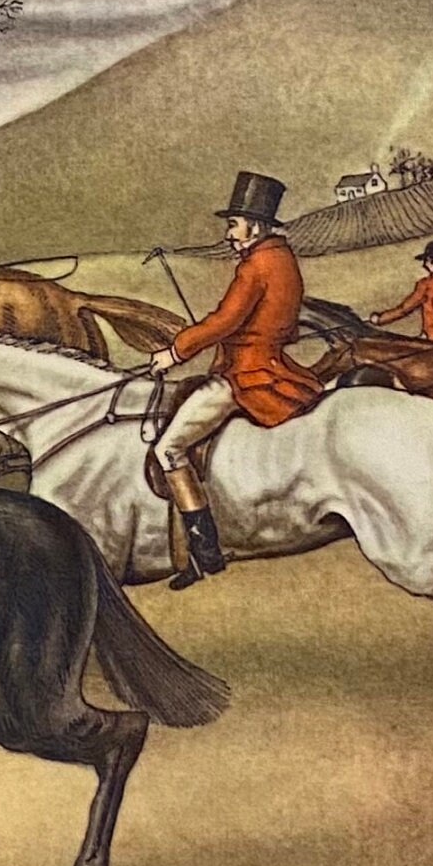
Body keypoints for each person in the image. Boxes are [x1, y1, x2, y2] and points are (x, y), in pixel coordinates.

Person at [143, 171, 324, 586]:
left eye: (233, 224)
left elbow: (225, 321)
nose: (228, 234)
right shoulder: (284, 260)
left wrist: (175, 352)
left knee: (169, 449)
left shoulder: (255, 266)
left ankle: (206, 554)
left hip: (246, 374)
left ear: (254, 226)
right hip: (277, 365)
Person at [375, 236, 433, 344]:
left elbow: (404, 309)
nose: (424, 264)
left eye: (426, 260)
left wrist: (380, 319)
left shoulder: (426, 284)